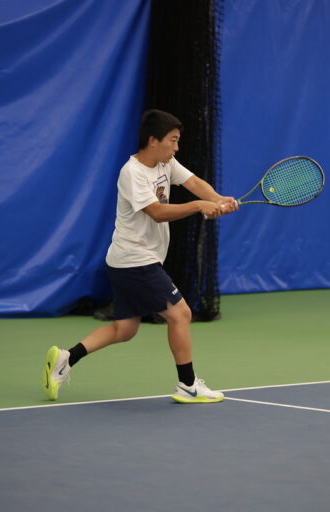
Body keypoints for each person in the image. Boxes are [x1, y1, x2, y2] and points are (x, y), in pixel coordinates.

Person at [43, 109, 238, 403]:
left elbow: (194, 183)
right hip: (136, 260)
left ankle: (67, 358)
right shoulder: (131, 173)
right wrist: (199, 207)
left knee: (125, 329)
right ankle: (188, 384)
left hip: (127, 260)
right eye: (172, 141)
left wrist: (218, 199)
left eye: (177, 141)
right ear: (153, 140)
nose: (176, 147)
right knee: (180, 313)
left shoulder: (166, 162)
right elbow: (157, 213)